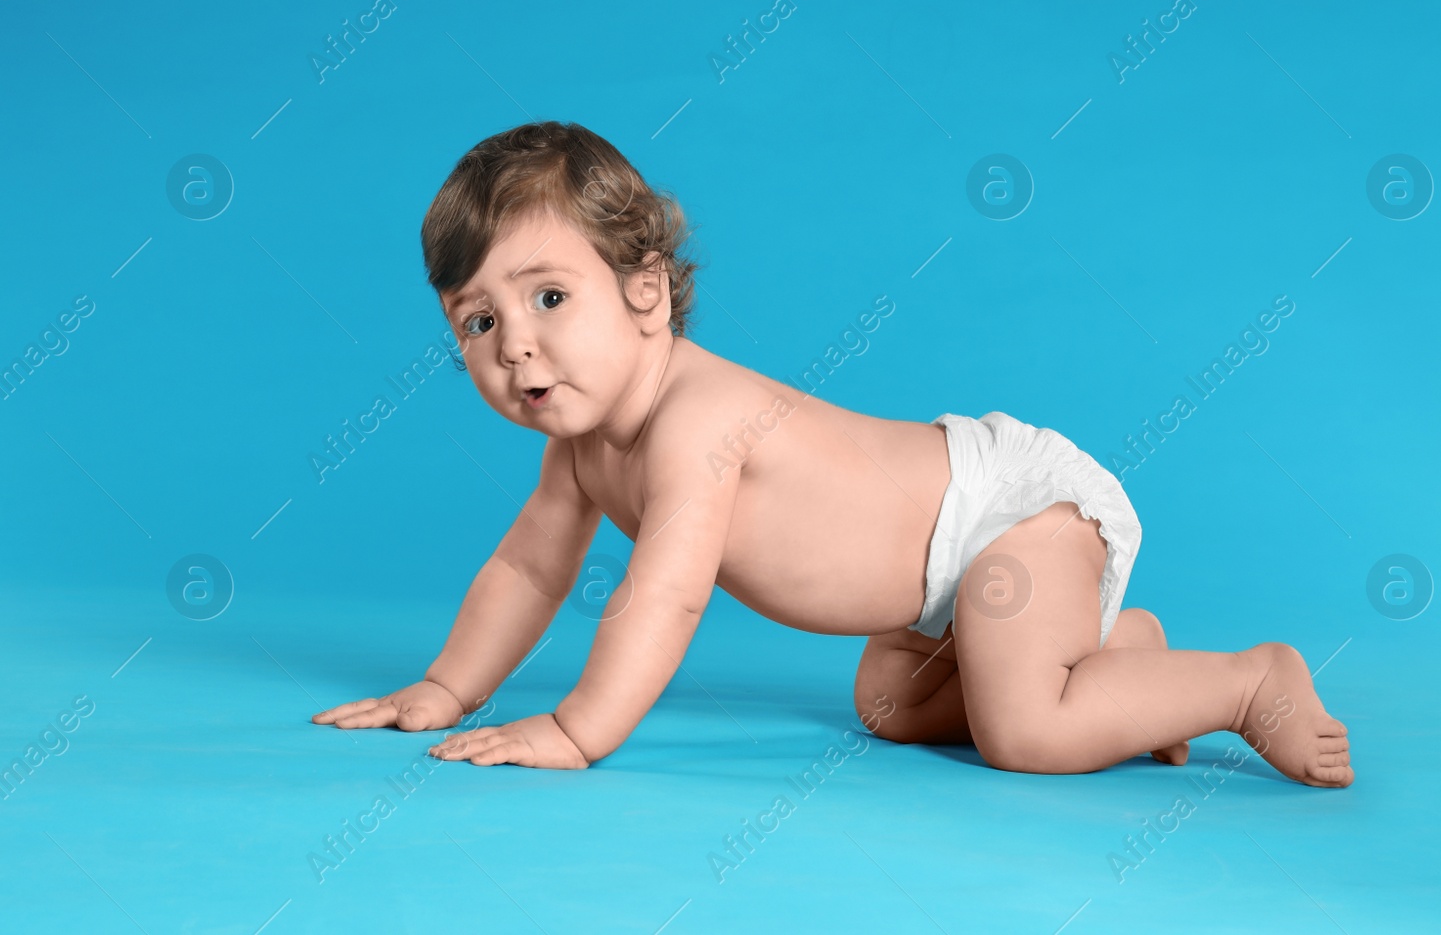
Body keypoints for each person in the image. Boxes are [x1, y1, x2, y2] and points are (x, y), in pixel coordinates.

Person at [312, 121, 1353, 787]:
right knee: (891, 708)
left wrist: (580, 729)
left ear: (641, 288)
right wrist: (448, 688)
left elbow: (665, 596)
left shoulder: (698, 417)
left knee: (1023, 734)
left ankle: (1242, 682)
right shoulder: (583, 450)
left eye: (546, 297)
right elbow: (529, 567)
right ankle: (1121, 663)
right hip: (931, 590)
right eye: (476, 323)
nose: (516, 344)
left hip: (1011, 518)